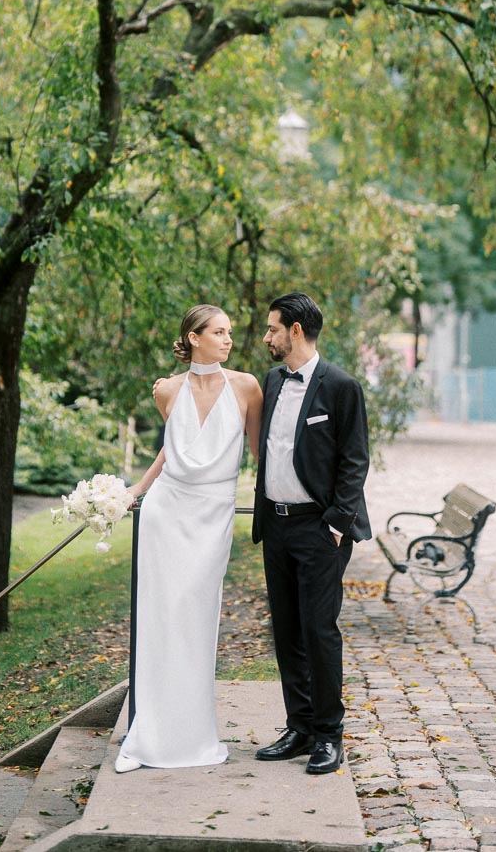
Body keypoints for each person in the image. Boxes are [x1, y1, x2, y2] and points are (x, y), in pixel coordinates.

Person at [115, 304, 263, 772]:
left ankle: (194, 738)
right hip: (165, 513)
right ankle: (149, 738)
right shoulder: (167, 390)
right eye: (219, 332)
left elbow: (261, 453)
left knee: (195, 620)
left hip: (211, 514)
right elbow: (173, 447)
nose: (228, 340)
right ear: (194, 337)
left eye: (229, 333)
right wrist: (139, 488)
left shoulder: (246, 386)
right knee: (159, 621)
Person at [252, 291, 371, 776]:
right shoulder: (273, 381)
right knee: (286, 630)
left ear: (295, 330)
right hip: (276, 526)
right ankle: (299, 728)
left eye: (272, 329)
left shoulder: (341, 386)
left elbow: (354, 460)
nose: (267, 337)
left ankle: (328, 735)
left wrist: (337, 525)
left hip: (319, 531)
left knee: (319, 632)